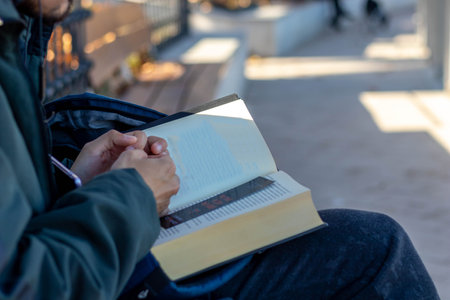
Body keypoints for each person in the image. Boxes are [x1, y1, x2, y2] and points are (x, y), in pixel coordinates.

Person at [0, 0, 440, 299]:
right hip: (102, 270)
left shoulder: (16, 31)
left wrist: (78, 180)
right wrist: (130, 193)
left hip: (94, 248)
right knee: (378, 251)